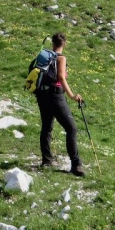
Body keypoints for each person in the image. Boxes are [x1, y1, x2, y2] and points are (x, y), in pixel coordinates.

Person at [36, 32, 84, 176]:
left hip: (42, 94)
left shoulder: (44, 56)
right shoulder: (61, 58)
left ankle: (47, 159)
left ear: (52, 43)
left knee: (47, 126)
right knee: (71, 129)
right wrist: (72, 95)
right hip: (56, 95)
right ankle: (76, 165)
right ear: (64, 44)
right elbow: (61, 77)